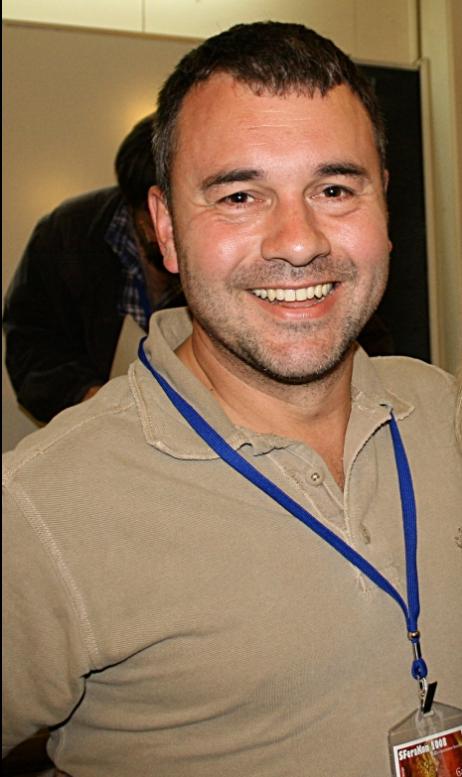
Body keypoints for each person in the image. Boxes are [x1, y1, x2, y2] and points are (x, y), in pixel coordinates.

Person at [3, 22, 461, 777]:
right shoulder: (39, 510)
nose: (299, 241)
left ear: (384, 206)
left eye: (335, 189)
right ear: (166, 229)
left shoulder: (443, 411)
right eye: (241, 195)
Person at [2, 114, 185, 424]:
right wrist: (91, 399)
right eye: (154, 217)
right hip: (96, 425)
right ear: (135, 203)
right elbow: (31, 344)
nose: (166, 233)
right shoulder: (66, 234)